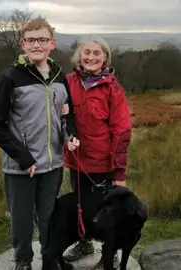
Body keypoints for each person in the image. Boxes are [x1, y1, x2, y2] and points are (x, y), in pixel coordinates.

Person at [0, 16, 80, 270]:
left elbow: (65, 114)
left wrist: (70, 135)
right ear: (23, 45)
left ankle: (50, 258)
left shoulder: (61, 77)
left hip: (53, 164)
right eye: (31, 40)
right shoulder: (11, 77)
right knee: (22, 218)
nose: (37, 44)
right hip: (21, 167)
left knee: (49, 217)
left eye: (42, 39)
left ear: (52, 43)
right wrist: (23, 158)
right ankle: (23, 261)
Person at [62, 36, 132, 267]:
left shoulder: (113, 89)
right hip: (76, 162)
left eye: (96, 53)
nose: (90, 57)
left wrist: (119, 172)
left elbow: (121, 131)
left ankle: (109, 254)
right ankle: (85, 242)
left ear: (105, 58)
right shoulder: (68, 82)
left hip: (103, 166)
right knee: (81, 207)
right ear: (79, 56)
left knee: (108, 213)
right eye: (87, 52)